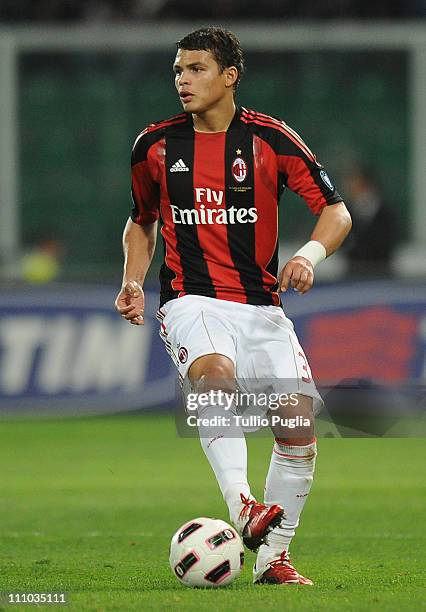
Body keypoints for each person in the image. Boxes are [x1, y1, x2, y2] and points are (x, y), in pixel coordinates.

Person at [115, 27, 352, 586]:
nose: (182, 80)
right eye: (178, 70)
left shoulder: (269, 140)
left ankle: (273, 561)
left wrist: (310, 255)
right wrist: (131, 280)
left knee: (297, 428)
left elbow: (336, 211)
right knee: (214, 376)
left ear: (230, 76)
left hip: (263, 307)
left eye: (196, 69)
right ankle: (243, 505)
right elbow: (141, 220)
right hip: (192, 299)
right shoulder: (154, 146)